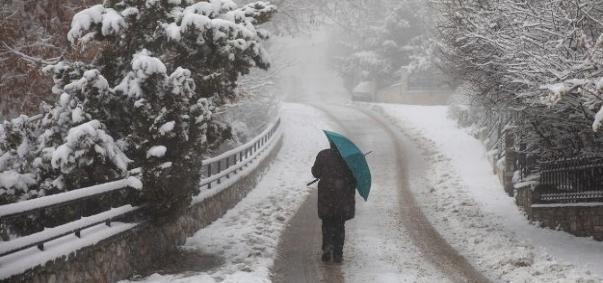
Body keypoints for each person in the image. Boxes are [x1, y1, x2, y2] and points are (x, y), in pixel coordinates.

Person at [311, 142, 357, 263]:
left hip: (326, 197)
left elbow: (315, 172)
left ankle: (327, 247)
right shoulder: (349, 159)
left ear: (331, 144)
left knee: (327, 223)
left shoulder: (323, 155)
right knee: (340, 225)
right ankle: (338, 253)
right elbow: (354, 180)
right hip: (343, 199)